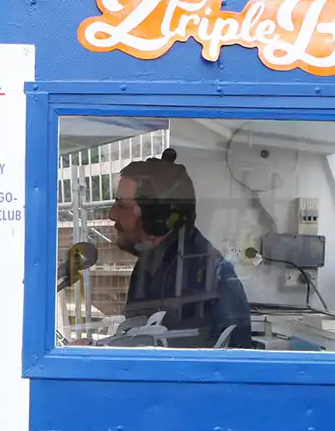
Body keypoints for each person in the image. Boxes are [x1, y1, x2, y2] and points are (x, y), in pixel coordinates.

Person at [107, 148, 253, 348]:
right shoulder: (150, 263)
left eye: (122, 205)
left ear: (156, 218)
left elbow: (228, 360)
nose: (112, 214)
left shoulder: (212, 277)